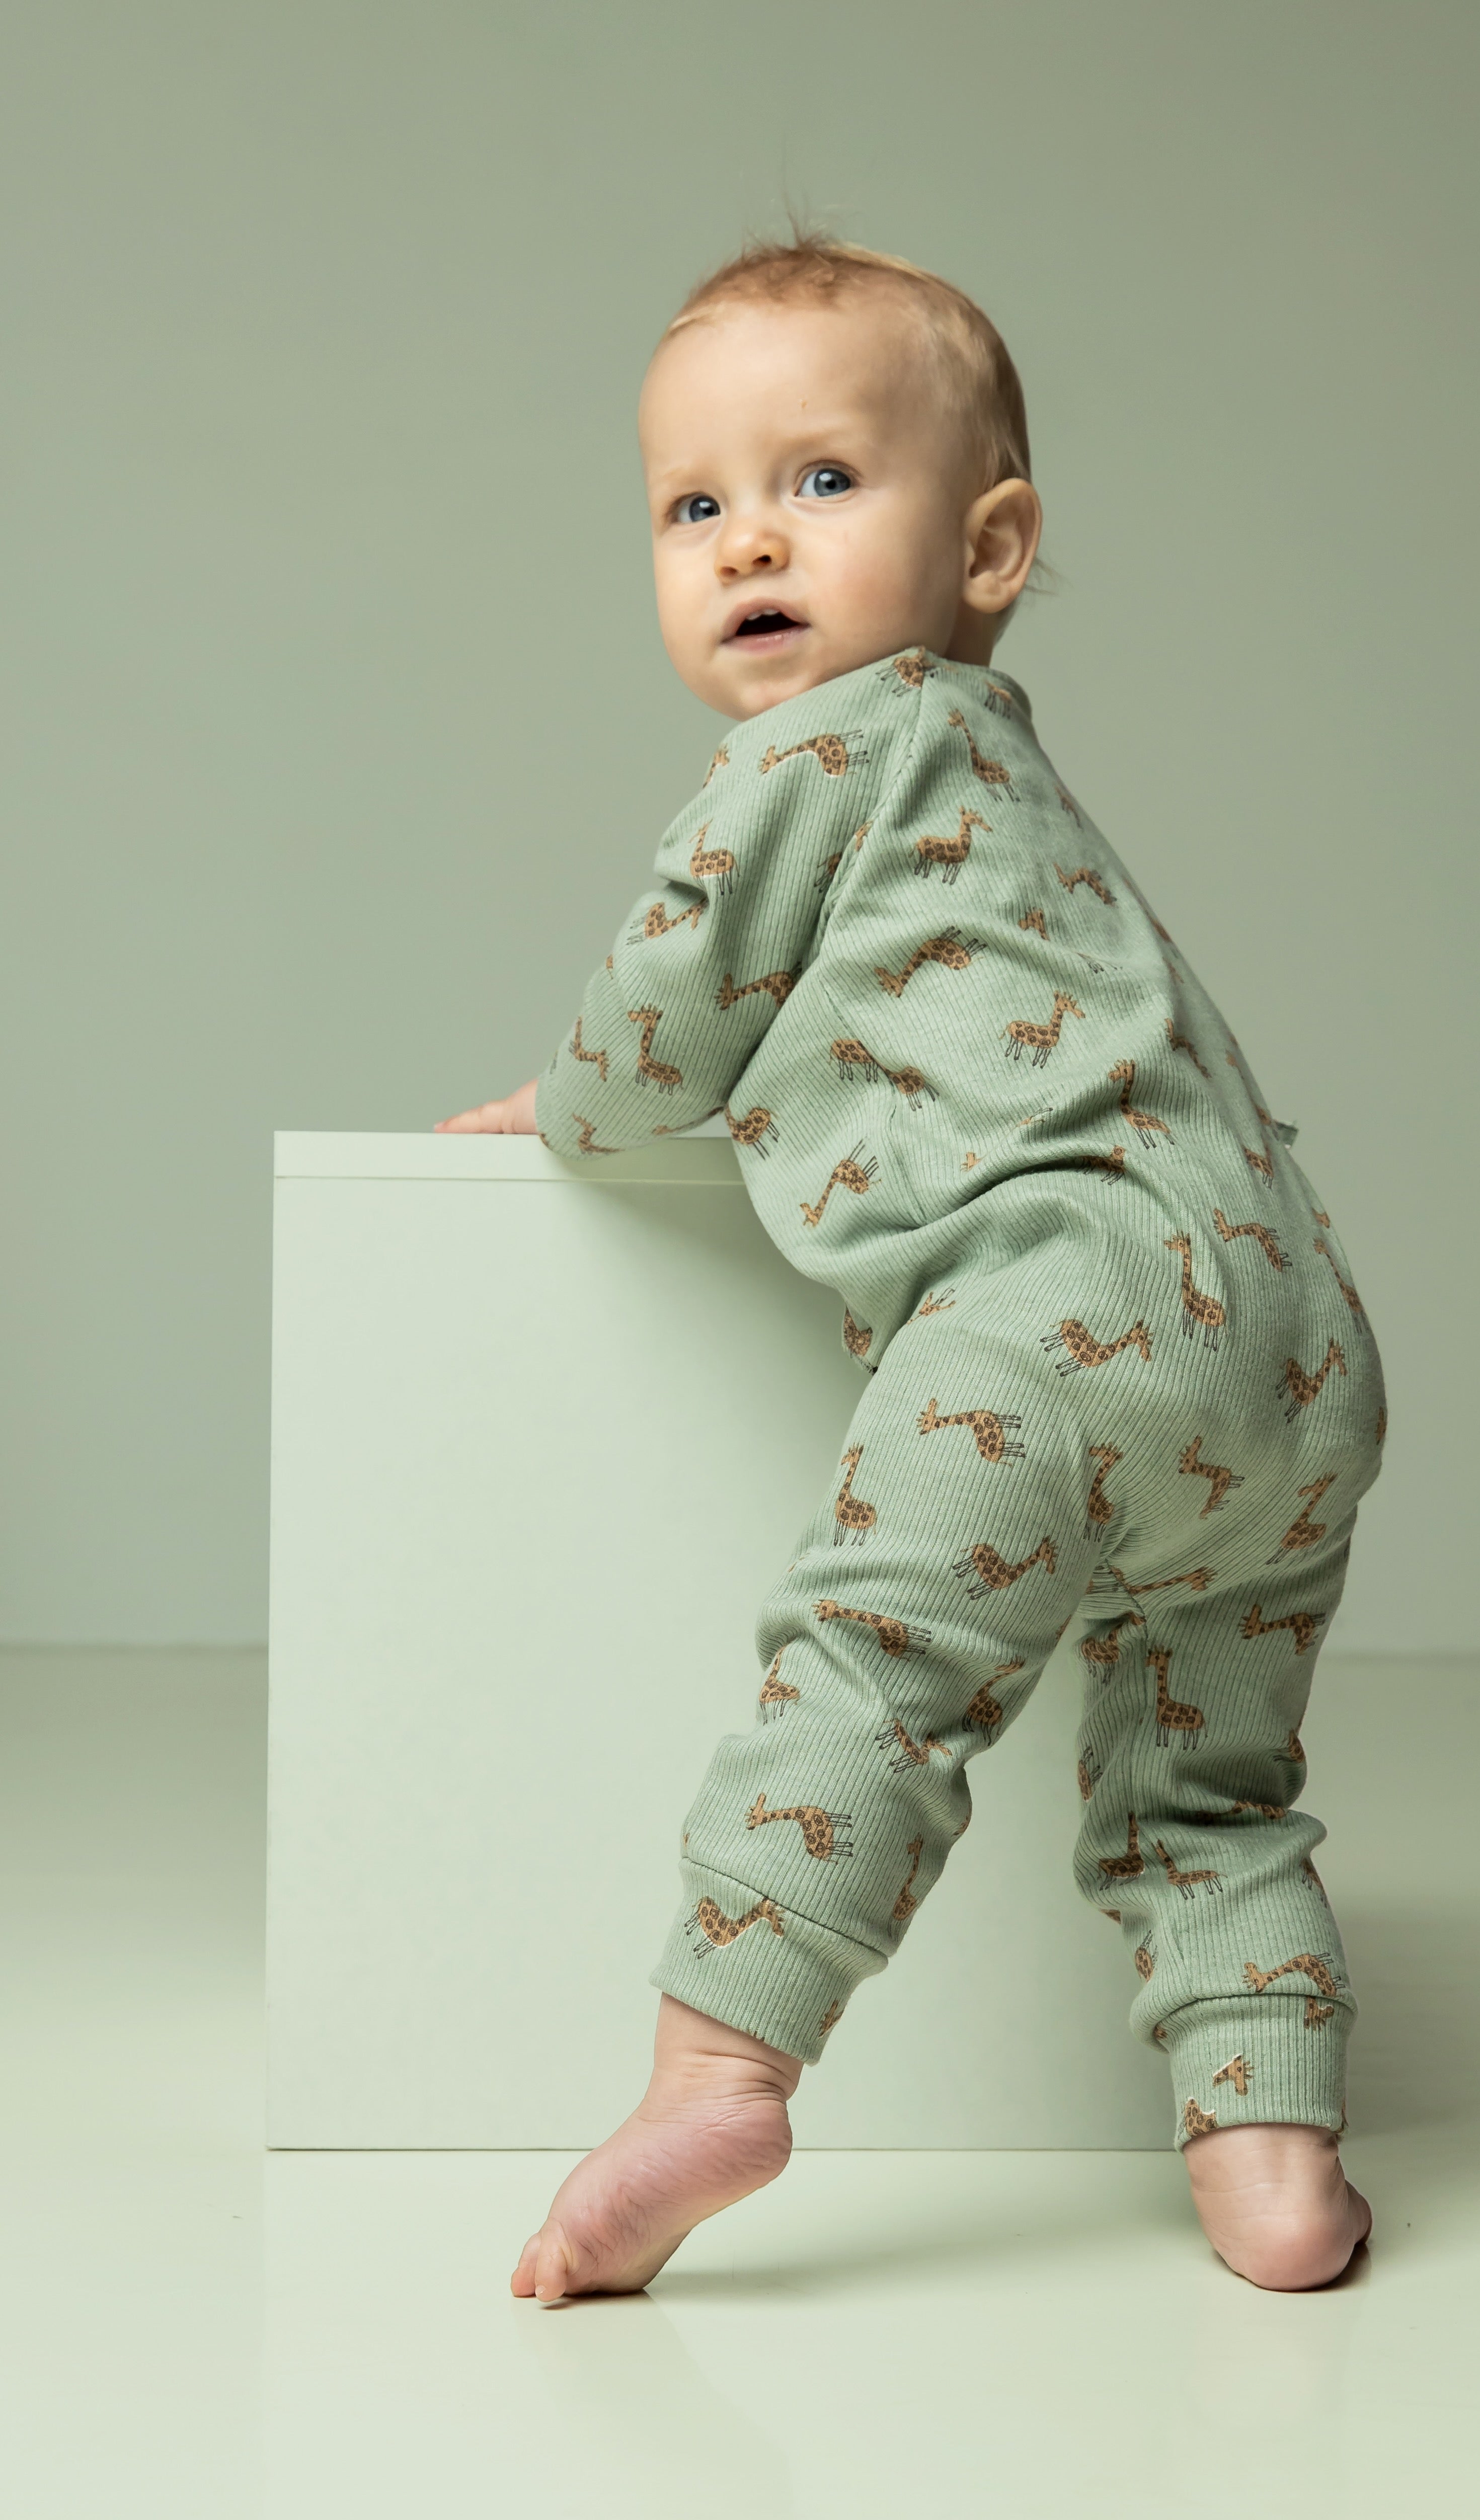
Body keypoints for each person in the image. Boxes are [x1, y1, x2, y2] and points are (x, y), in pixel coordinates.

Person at [439, 232, 1384, 2296]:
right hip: (1296, 1346)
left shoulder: (821, 751)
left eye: (821, 480)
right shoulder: (1002, 772)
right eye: (691, 506)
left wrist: (563, 1107)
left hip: (1052, 1319)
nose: (747, 540)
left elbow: (656, 1033)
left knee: (869, 1680)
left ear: (991, 546)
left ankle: (718, 2067)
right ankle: (1273, 2157)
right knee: (1211, 1788)